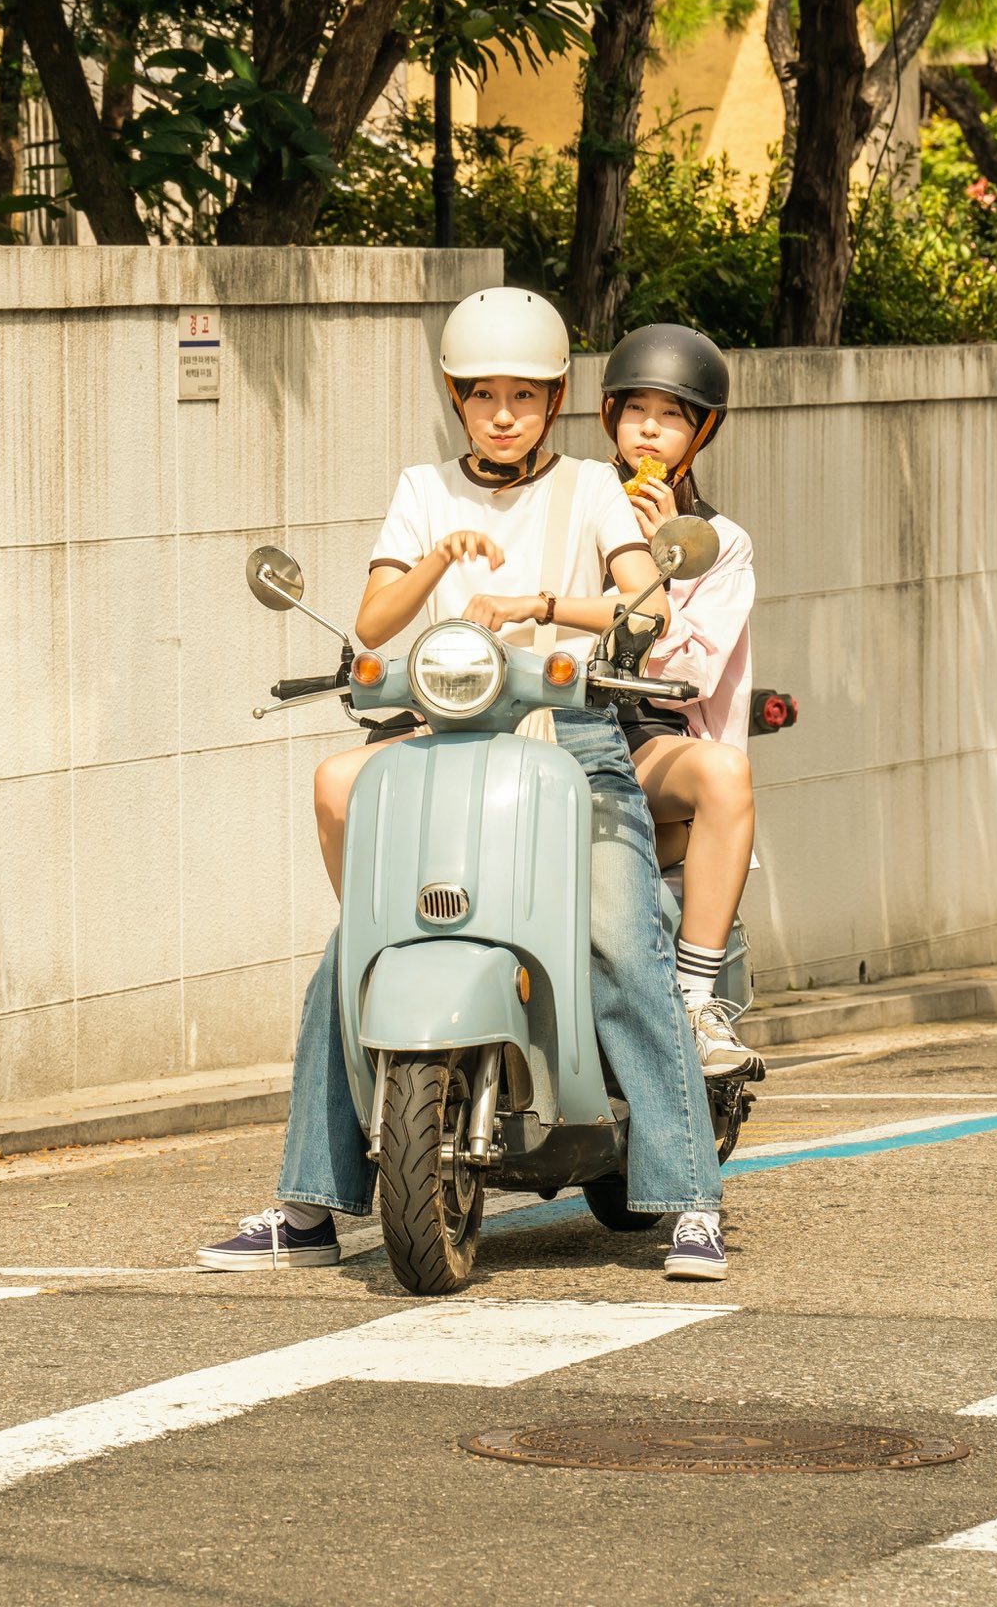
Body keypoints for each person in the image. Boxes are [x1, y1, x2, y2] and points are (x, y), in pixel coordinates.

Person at [198, 287, 728, 1281]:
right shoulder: (422, 488)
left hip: (572, 736)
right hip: (444, 731)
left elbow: (640, 601)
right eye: (481, 394)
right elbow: (373, 618)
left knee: (619, 939)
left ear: (556, 398)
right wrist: (439, 553)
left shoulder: (591, 486)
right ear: (455, 397)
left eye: (524, 395)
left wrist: (543, 602)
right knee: (346, 953)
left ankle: (688, 1195)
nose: (501, 413)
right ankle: (308, 1202)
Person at [601, 325, 760, 1080]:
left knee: (723, 773)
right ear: (609, 418)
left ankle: (697, 1001)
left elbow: (692, 669)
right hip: (546, 718)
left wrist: (660, 551)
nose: (650, 433)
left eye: (671, 416)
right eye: (637, 412)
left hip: (646, 732)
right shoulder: (572, 500)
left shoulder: (721, 544)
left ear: (701, 432)